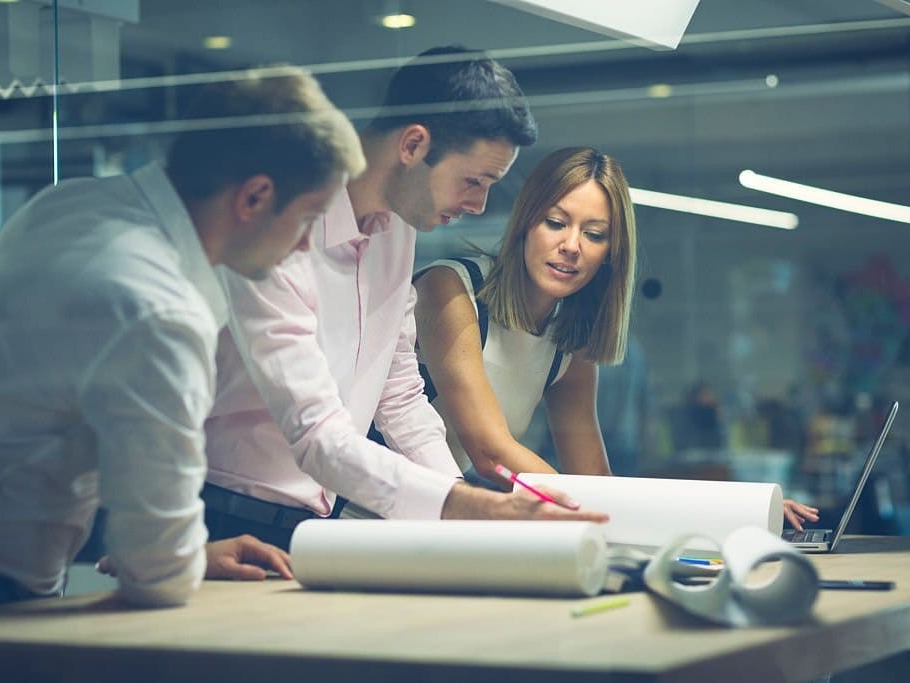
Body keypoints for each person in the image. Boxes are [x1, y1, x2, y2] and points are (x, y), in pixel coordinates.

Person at [0, 68, 366, 609]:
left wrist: (189, 552)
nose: (306, 243)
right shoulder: (158, 309)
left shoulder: (69, 204)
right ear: (255, 196)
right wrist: (176, 557)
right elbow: (159, 575)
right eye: (308, 216)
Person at [202, 47, 608, 550]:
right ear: (414, 144)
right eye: (473, 181)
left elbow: (400, 396)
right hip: (229, 517)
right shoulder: (281, 225)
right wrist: (463, 506)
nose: (479, 204)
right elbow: (317, 434)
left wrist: (454, 499)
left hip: (313, 525)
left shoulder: (396, 230)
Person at [414, 147, 819, 531]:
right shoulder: (450, 290)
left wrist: (732, 512)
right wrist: (590, 509)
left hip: (424, 517)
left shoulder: (567, 343)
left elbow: (593, 478)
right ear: (525, 225)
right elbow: (490, 453)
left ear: (611, 252)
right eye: (555, 223)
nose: (571, 246)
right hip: (365, 513)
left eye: (593, 234)